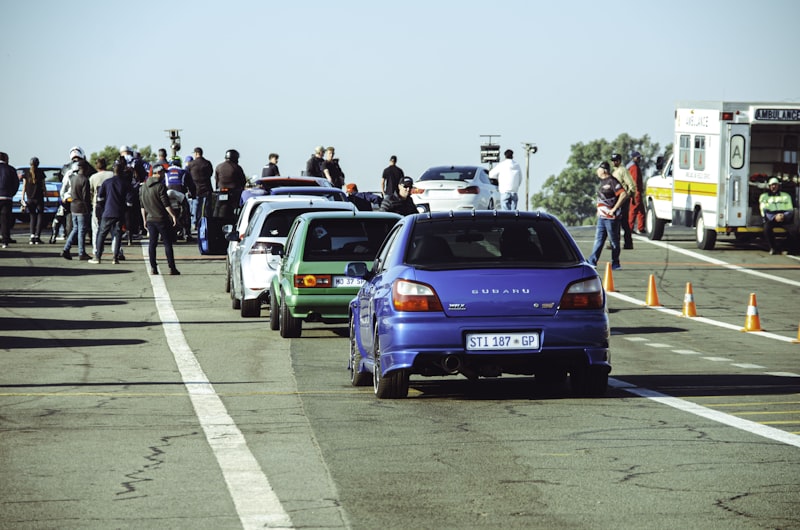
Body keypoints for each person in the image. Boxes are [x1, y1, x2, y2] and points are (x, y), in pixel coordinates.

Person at [90, 157, 134, 264]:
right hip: (119, 213)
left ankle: (98, 256)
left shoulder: (107, 182)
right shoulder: (125, 183)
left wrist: (104, 207)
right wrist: (124, 209)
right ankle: (115, 257)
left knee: (102, 234)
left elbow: (100, 199)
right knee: (117, 234)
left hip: (107, 212)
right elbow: (130, 202)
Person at [139, 164, 179, 275]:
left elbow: (142, 206)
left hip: (150, 219)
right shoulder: (160, 187)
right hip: (161, 219)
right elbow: (166, 204)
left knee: (152, 244)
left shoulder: (143, 187)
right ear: (159, 172)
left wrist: (144, 220)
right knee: (167, 243)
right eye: (163, 173)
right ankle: (172, 268)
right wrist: (173, 216)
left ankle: (153, 268)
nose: (164, 175)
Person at [588, 161, 627, 270]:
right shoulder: (601, 182)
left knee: (614, 241)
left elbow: (623, 194)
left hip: (611, 218)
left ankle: (616, 263)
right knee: (598, 239)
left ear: (604, 170)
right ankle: (592, 261)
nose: (597, 171)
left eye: (598, 169)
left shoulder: (612, 181)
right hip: (602, 217)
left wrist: (614, 209)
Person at [60, 158, 92, 260]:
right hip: (82, 207)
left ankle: (66, 248)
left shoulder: (73, 178)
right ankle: (81, 252)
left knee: (75, 228)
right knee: (82, 230)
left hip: (73, 206)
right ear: (85, 168)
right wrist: (89, 209)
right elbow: (85, 197)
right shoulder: (85, 180)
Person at [759, 177, 797, 255]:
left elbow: (790, 210)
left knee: (794, 230)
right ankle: (773, 248)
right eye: (772, 185)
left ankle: (787, 248)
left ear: (778, 186)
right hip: (772, 218)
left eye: (775, 185)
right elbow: (764, 210)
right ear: (769, 186)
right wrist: (774, 217)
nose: (774, 187)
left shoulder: (786, 196)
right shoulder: (764, 196)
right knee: (766, 228)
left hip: (784, 217)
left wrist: (783, 216)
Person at [88, 157, 114, 256]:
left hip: (97, 205)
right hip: (110, 205)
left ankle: (96, 249)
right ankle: (116, 250)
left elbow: (90, 192)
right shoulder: (111, 175)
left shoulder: (93, 177)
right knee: (113, 230)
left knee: (96, 229)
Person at [611, 153, 636, 249]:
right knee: (618, 222)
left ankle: (626, 243)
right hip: (617, 199)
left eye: (616, 160)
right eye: (613, 160)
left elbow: (631, 185)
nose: (614, 162)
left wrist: (631, 196)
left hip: (623, 199)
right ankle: (617, 243)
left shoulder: (623, 171)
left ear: (619, 161)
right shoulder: (615, 172)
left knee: (622, 222)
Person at [214, 149, 247, 221]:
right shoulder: (237, 167)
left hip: (221, 190)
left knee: (217, 207)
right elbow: (243, 180)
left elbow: (216, 179)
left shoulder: (219, 166)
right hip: (233, 191)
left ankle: (215, 220)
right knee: (239, 206)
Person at [21, 157, 47, 244]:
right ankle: (37, 236)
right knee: (40, 216)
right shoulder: (41, 173)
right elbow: (43, 186)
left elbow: (24, 186)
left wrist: (22, 198)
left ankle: (32, 236)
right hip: (39, 198)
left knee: (32, 217)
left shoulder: (26, 173)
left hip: (29, 198)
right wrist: (46, 196)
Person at [186, 146, 213, 230]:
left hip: (195, 189)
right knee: (205, 208)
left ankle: (195, 223)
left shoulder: (191, 164)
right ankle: (205, 223)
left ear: (196, 153)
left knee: (195, 207)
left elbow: (187, 175)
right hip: (206, 188)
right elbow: (210, 173)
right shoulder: (207, 163)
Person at [0, 152, 18, 249]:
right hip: (6, 197)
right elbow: (16, 184)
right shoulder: (11, 169)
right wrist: (11, 194)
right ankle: (5, 241)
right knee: (5, 220)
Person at [627, 151, 646, 234]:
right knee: (634, 210)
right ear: (633, 158)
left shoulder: (633, 166)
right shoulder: (634, 167)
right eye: (638, 157)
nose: (639, 159)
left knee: (641, 210)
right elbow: (635, 180)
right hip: (636, 191)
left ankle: (641, 227)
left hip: (637, 191)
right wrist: (636, 191)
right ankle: (630, 228)